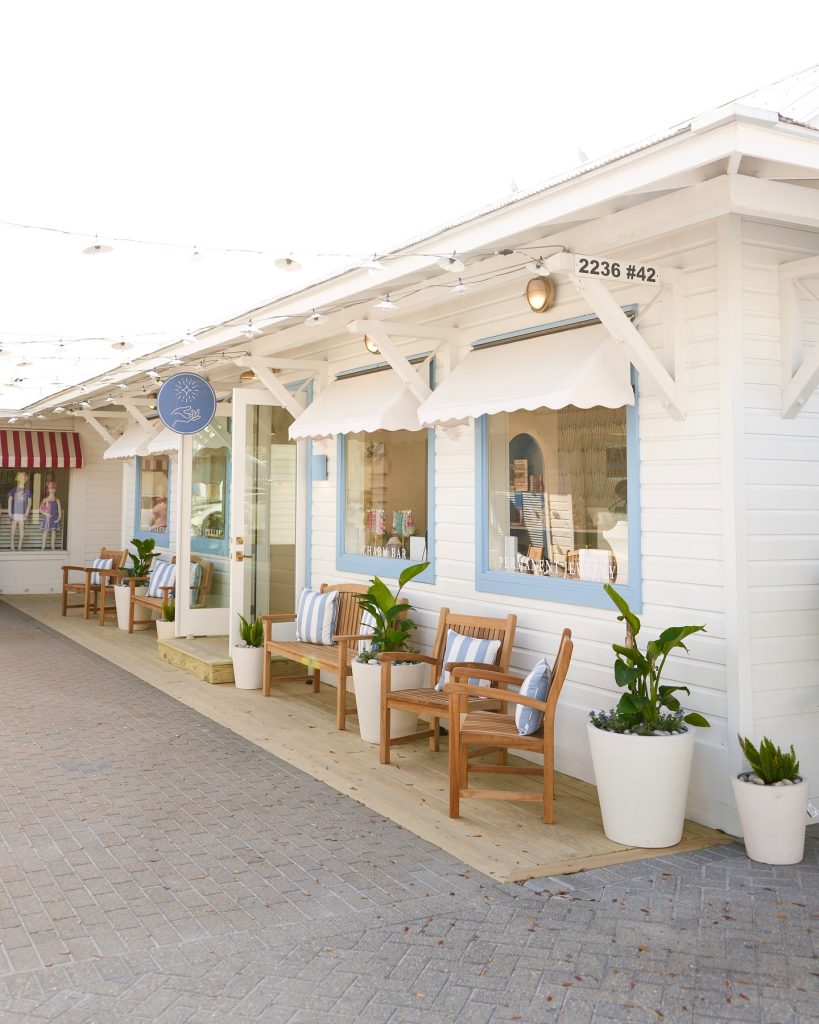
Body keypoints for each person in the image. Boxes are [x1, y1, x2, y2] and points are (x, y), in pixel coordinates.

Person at [7, 472, 32, 551]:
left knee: (21, 530)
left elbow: (29, 503)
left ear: (25, 480)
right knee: (13, 530)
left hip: (22, 513)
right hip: (15, 513)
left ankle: (19, 546)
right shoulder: (14, 490)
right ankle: (12, 545)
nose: (22, 479)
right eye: (20, 477)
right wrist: (9, 512)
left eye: (23, 478)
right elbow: (10, 501)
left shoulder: (27, 491)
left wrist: (27, 512)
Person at [39, 480, 62, 550]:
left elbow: (59, 511)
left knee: (53, 532)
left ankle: (53, 546)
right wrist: (46, 514)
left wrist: (58, 518)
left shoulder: (57, 500)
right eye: (50, 488)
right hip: (47, 519)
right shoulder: (45, 500)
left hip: (54, 518)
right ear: (48, 489)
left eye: (53, 488)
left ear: (55, 489)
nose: (52, 490)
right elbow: (41, 509)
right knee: (45, 531)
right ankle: (43, 546)